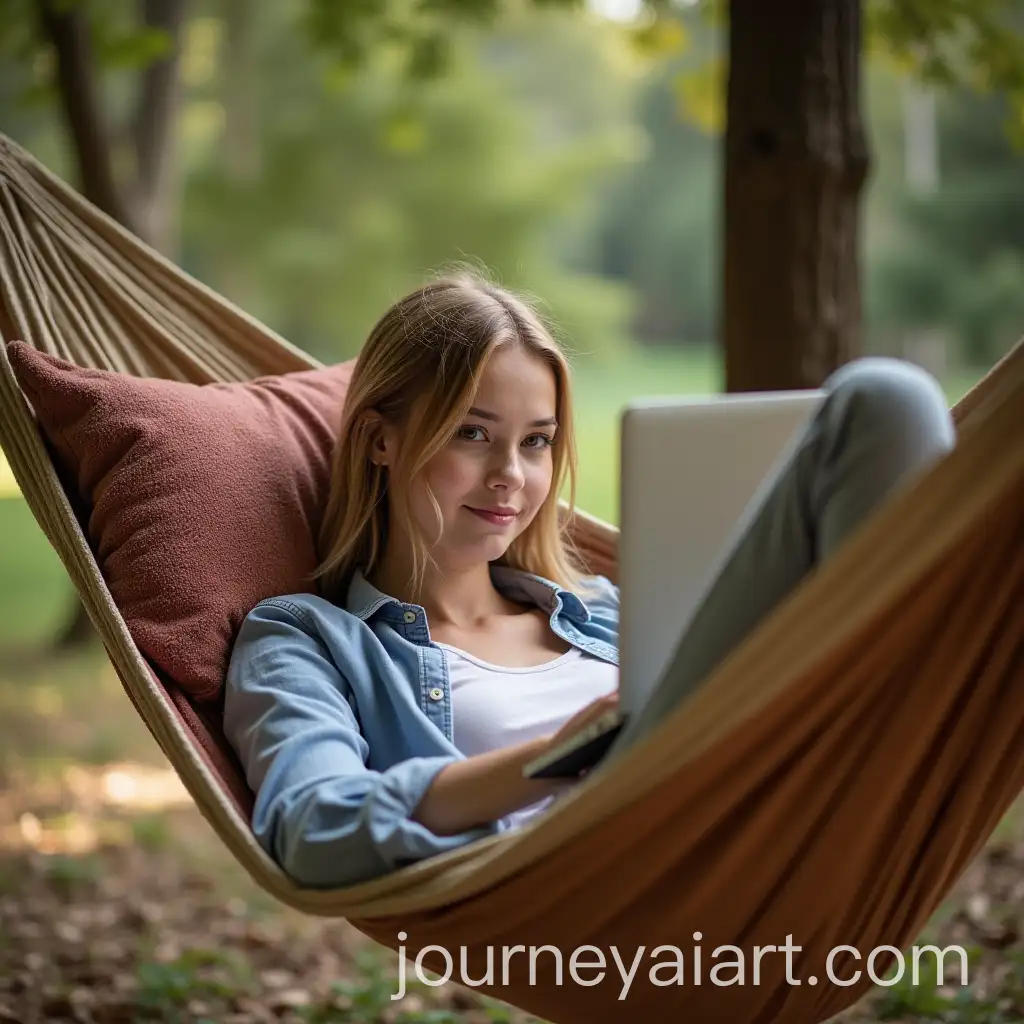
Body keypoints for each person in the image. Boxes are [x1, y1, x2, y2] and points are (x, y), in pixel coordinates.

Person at [223, 270, 956, 890]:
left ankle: (928, 718)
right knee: (883, 400)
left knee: (894, 403)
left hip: (779, 794)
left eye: (536, 441)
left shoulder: (607, 612)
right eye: (472, 432)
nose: (511, 476)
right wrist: (565, 757)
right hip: (619, 871)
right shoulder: (305, 640)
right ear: (381, 439)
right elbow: (313, 826)